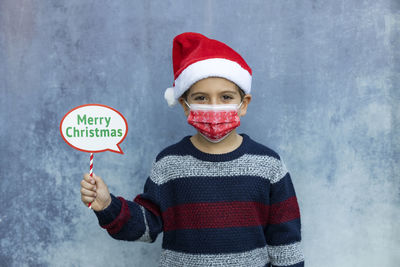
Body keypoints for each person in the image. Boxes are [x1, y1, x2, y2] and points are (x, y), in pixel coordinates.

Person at [80, 32, 305, 267]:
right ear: (185, 106)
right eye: (201, 98)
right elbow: (147, 226)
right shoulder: (169, 163)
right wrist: (107, 206)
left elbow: (286, 243)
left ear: (243, 104)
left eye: (226, 97)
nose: (214, 106)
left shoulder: (268, 164)